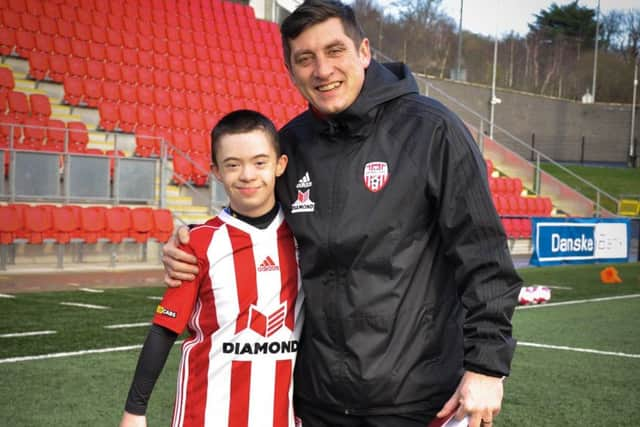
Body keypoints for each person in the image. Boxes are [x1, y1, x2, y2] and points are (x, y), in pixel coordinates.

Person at [162, 1, 522, 426]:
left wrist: (486, 367)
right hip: (318, 400)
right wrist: (190, 243)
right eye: (305, 59)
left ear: (364, 52)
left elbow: (486, 260)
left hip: (417, 400)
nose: (322, 70)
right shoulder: (291, 146)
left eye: (335, 51)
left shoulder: (432, 131)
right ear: (291, 70)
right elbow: (252, 222)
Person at [119, 110, 304, 427]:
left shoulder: (305, 237)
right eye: (233, 164)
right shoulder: (197, 244)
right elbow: (164, 330)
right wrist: (135, 410)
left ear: (280, 165)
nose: (247, 174)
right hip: (206, 415)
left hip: (281, 418)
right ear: (216, 171)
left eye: (260, 162)